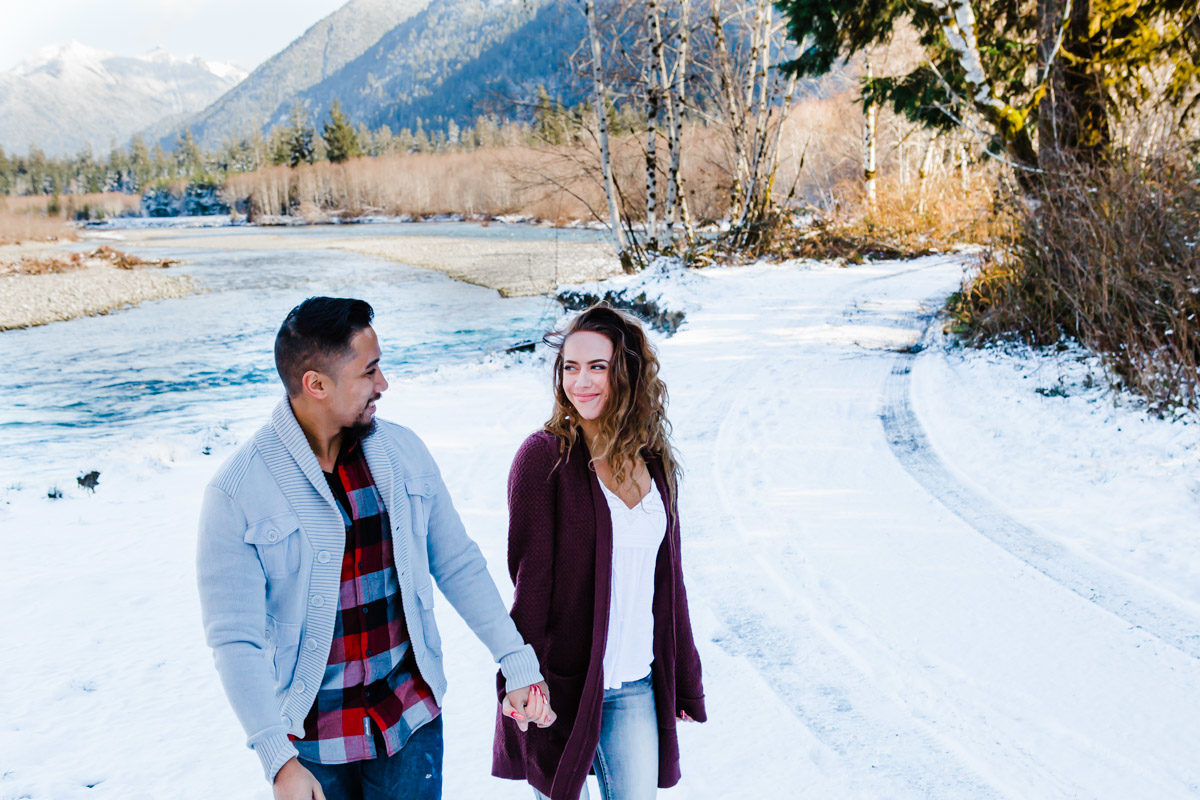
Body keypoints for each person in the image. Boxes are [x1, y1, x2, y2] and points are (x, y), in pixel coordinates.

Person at [197, 297, 554, 800]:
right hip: (310, 747)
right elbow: (235, 640)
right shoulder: (238, 491)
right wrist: (277, 761)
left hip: (410, 724)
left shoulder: (404, 453)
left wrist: (515, 661)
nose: (383, 384)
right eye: (369, 372)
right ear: (316, 385)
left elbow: (457, 563)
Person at [492, 305, 706, 800]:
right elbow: (531, 586)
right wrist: (520, 680)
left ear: (626, 372)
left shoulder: (653, 461)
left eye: (597, 367)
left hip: (635, 685)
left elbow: (668, 583)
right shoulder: (543, 458)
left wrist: (683, 677)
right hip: (561, 688)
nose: (580, 382)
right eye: (570, 367)